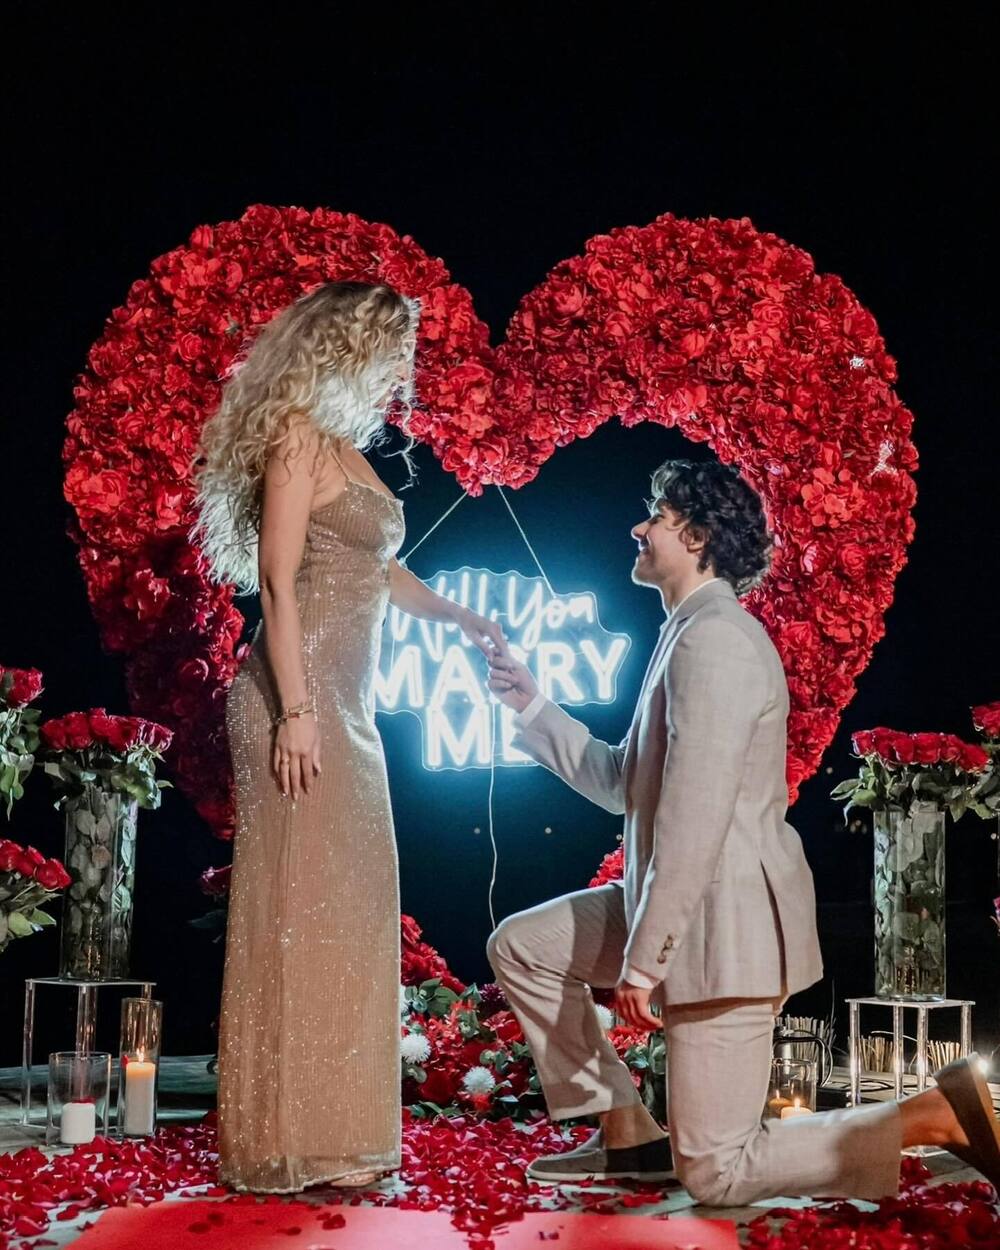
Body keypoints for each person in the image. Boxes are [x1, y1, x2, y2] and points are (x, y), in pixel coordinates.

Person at [486, 457, 999, 1201]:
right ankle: (626, 1131)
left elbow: (694, 816)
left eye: (655, 517)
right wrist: (532, 706)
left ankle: (928, 1115)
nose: (637, 528)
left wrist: (643, 962)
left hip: (724, 927)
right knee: (523, 947)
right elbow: (622, 783)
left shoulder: (715, 641)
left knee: (716, 1170)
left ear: (696, 538)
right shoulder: (687, 633)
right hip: (678, 905)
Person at [192, 281, 503, 1193]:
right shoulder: (294, 435)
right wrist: (296, 711)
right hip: (296, 700)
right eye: (392, 348)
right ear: (346, 345)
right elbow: (277, 582)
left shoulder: (345, 448)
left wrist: (463, 618)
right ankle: (285, 1141)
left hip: (346, 707)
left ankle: (338, 1136)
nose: (402, 367)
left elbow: (380, 570)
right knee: (297, 910)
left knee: (351, 913)